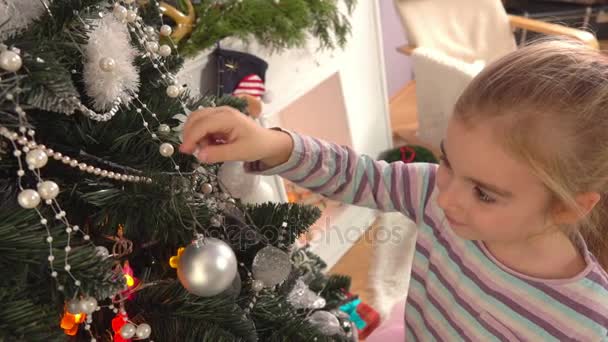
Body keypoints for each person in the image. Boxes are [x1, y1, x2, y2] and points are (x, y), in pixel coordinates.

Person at [180, 39, 608, 340]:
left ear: (567, 208)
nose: (447, 198)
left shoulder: (585, 323)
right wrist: (270, 143)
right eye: (447, 162)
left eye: (485, 193)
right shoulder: (434, 196)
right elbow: (359, 174)